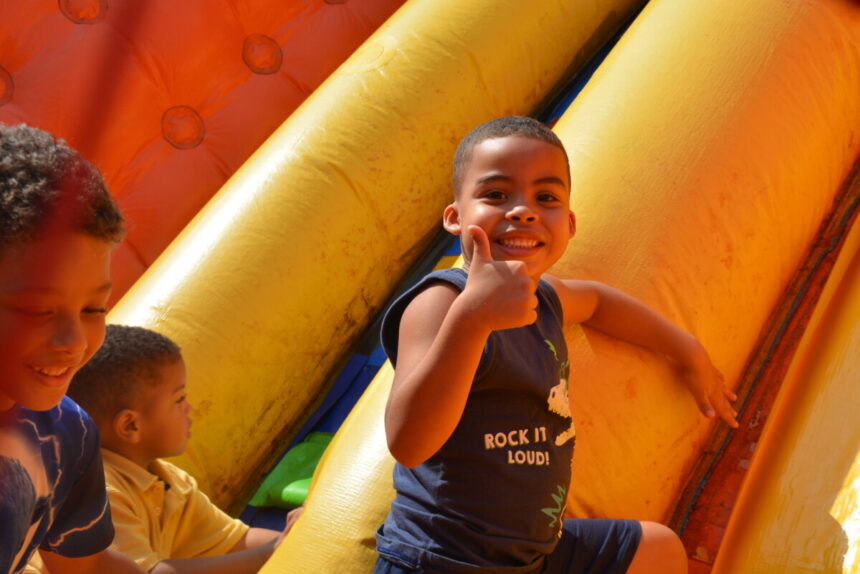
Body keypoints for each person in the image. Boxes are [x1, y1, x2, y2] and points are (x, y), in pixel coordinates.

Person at [374, 116, 739, 574]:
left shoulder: (547, 299)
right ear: (455, 217)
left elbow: (599, 302)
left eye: (545, 198)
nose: (522, 211)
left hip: (537, 554)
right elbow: (408, 444)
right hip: (444, 559)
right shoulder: (442, 301)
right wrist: (473, 319)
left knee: (659, 549)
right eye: (496, 195)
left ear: (568, 224)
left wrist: (688, 350)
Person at [0, 124, 144, 573]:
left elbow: (88, 568)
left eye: (93, 309)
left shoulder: (65, 434)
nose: (75, 342)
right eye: (39, 310)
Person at [63, 324, 301, 574]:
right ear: (131, 425)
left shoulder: (165, 480)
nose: (189, 408)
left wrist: (299, 537)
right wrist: (270, 553)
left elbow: (234, 543)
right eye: (179, 399)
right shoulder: (98, 492)